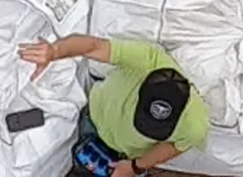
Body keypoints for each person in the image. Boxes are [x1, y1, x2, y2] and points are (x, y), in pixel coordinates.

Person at [17, 34, 210, 177]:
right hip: (92, 120)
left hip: (126, 157)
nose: (143, 131)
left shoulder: (195, 125)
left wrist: (135, 167)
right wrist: (54, 51)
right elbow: (93, 46)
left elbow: (175, 146)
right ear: (141, 88)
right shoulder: (148, 61)